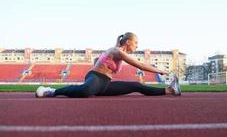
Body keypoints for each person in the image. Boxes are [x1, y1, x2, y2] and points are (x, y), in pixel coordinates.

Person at [35, 32, 181, 98]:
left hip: (105, 84)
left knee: (136, 86)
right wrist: (160, 70)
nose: (137, 46)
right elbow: (140, 66)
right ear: (128, 42)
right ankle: (52, 92)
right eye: (136, 43)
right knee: (86, 91)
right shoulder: (118, 52)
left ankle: (170, 90)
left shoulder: (117, 50)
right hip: (96, 77)